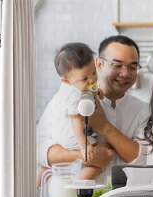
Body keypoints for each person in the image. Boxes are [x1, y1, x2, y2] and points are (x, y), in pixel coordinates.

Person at [37, 35, 150, 183]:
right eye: (117, 65)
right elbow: (38, 150)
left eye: (133, 66)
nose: (125, 73)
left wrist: (104, 126)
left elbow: (144, 160)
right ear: (99, 63)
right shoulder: (64, 100)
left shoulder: (143, 111)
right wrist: (83, 155)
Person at [42, 42, 113, 181]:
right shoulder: (73, 95)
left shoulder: (79, 84)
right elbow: (76, 121)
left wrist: (96, 91)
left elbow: (89, 88)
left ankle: (42, 176)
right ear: (66, 80)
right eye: (85, 78)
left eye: (93, 72)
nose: (92, 79)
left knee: (53, 166)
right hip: (74, 137)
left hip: (66, 135)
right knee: (100, 160)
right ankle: (79, 184)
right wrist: (84, 146)